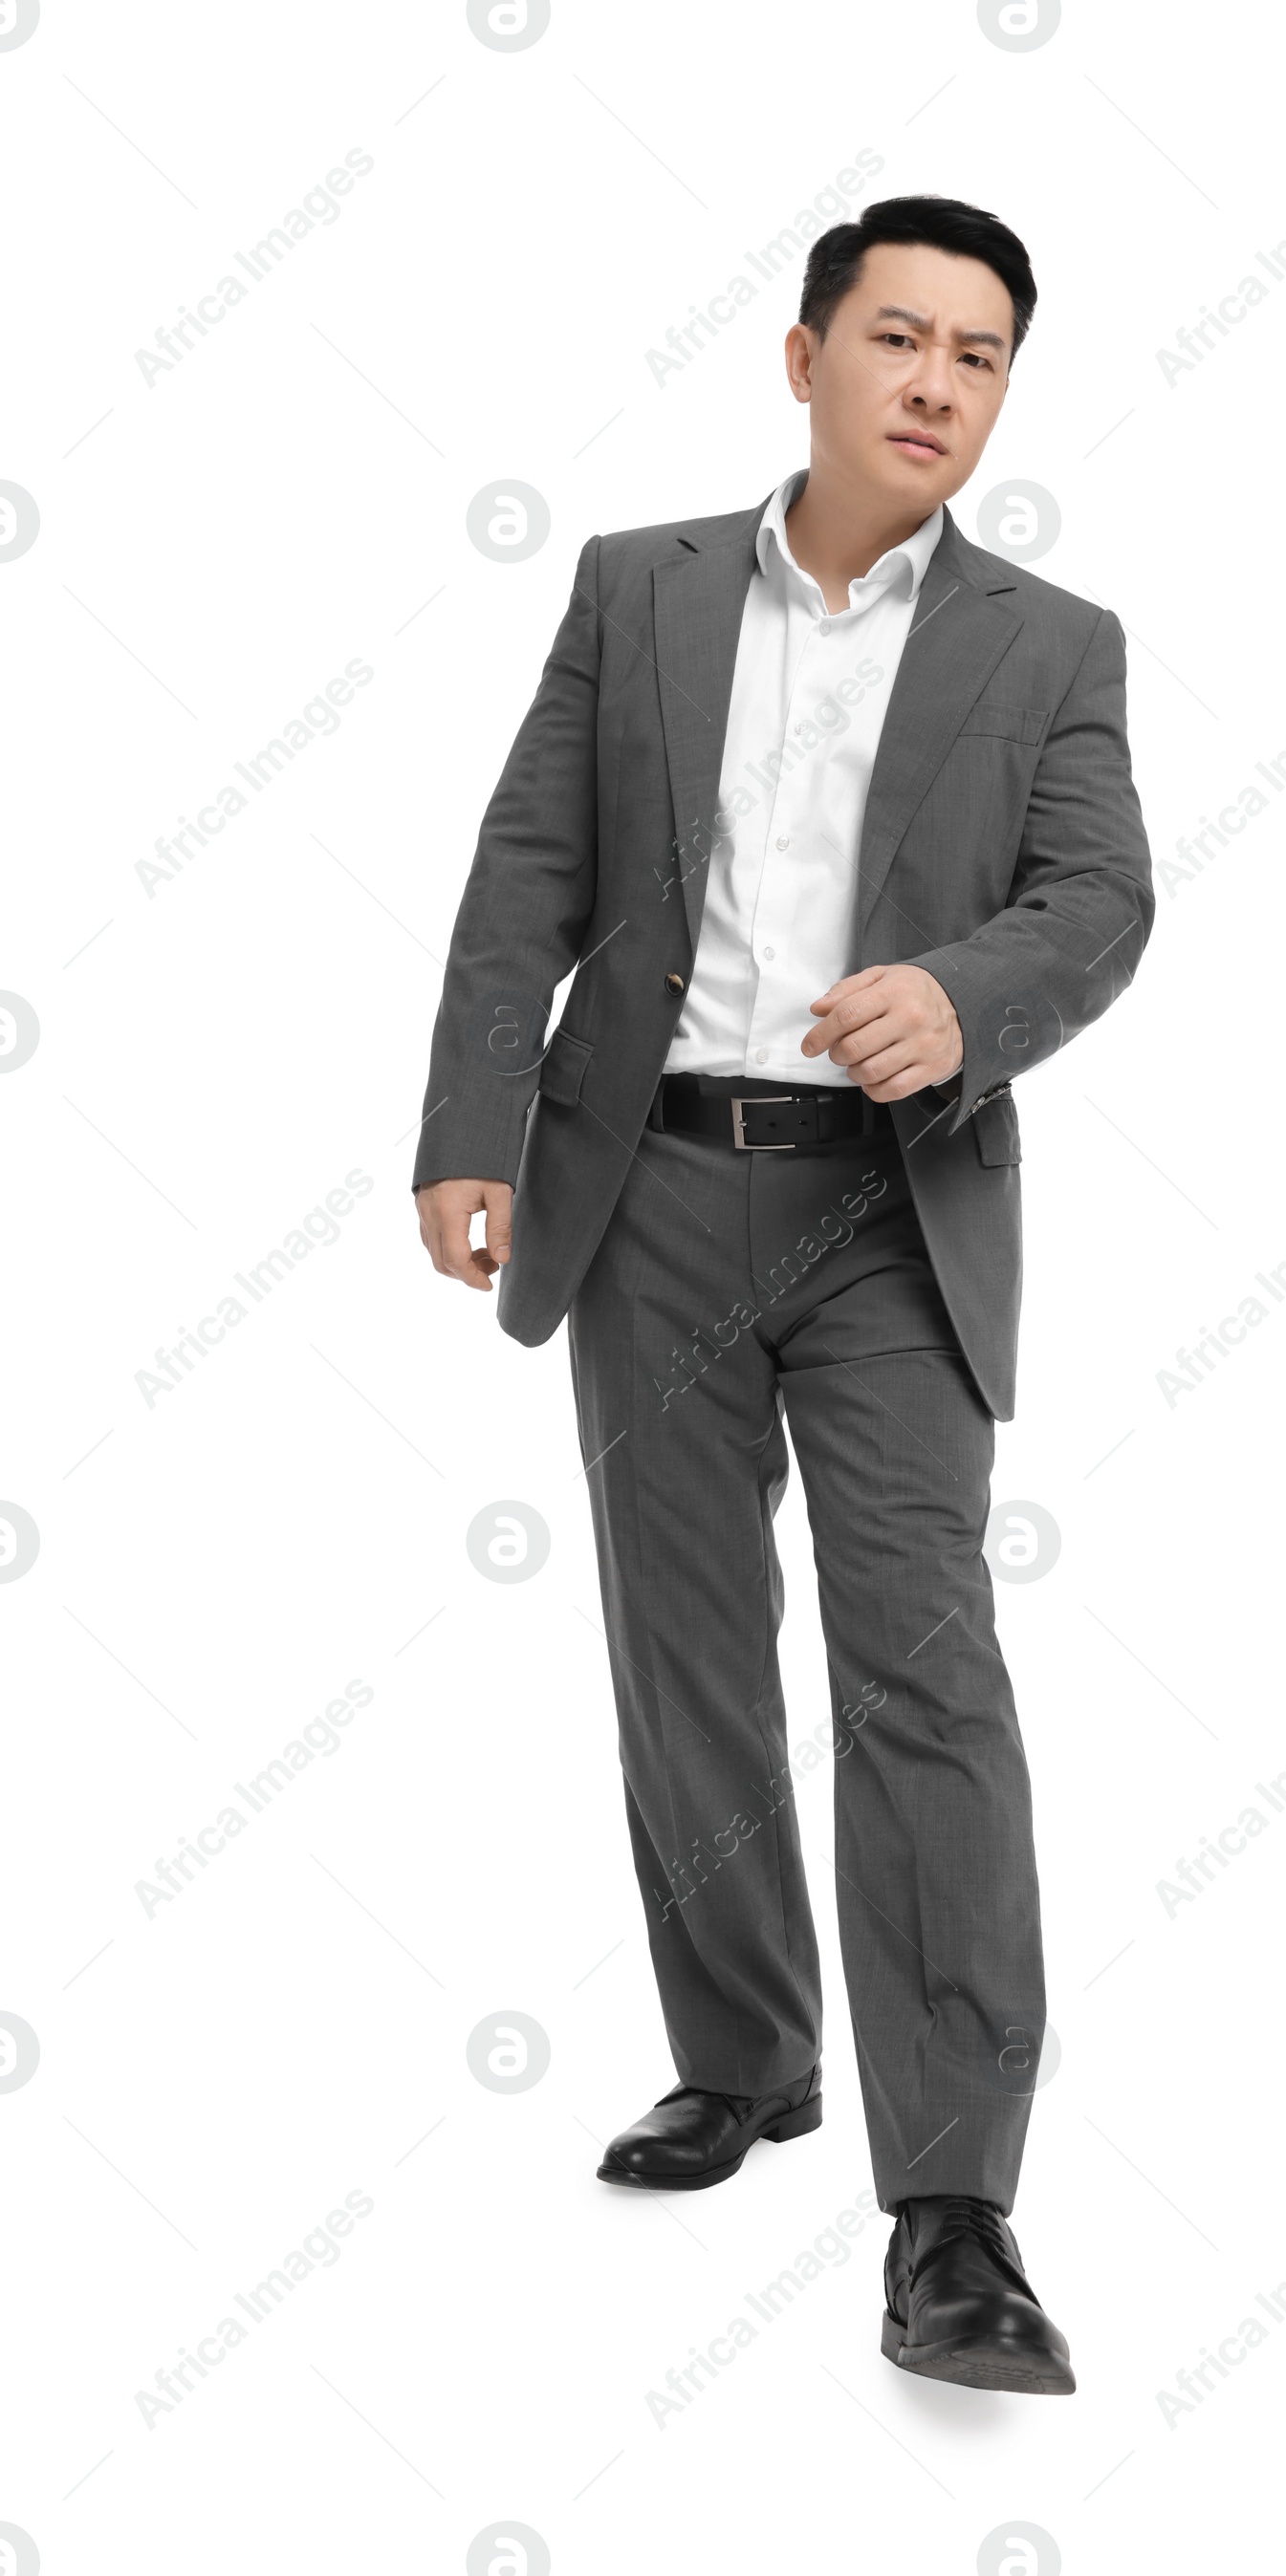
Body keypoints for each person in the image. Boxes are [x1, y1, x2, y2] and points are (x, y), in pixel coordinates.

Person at [412, 194, 1153, 2393]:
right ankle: (743, 2055)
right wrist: (469, 1125)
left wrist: (965, 990)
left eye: (982, 354)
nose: (937, 383)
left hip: (886, 1205)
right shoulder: (632, 589)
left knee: (921, 1674)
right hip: (643, 1185)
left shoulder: (1048, 640)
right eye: (899, 338)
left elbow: (1099, 897)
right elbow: (525, 864)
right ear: (805, 353)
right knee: (686, 1650)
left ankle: (952, 2210)